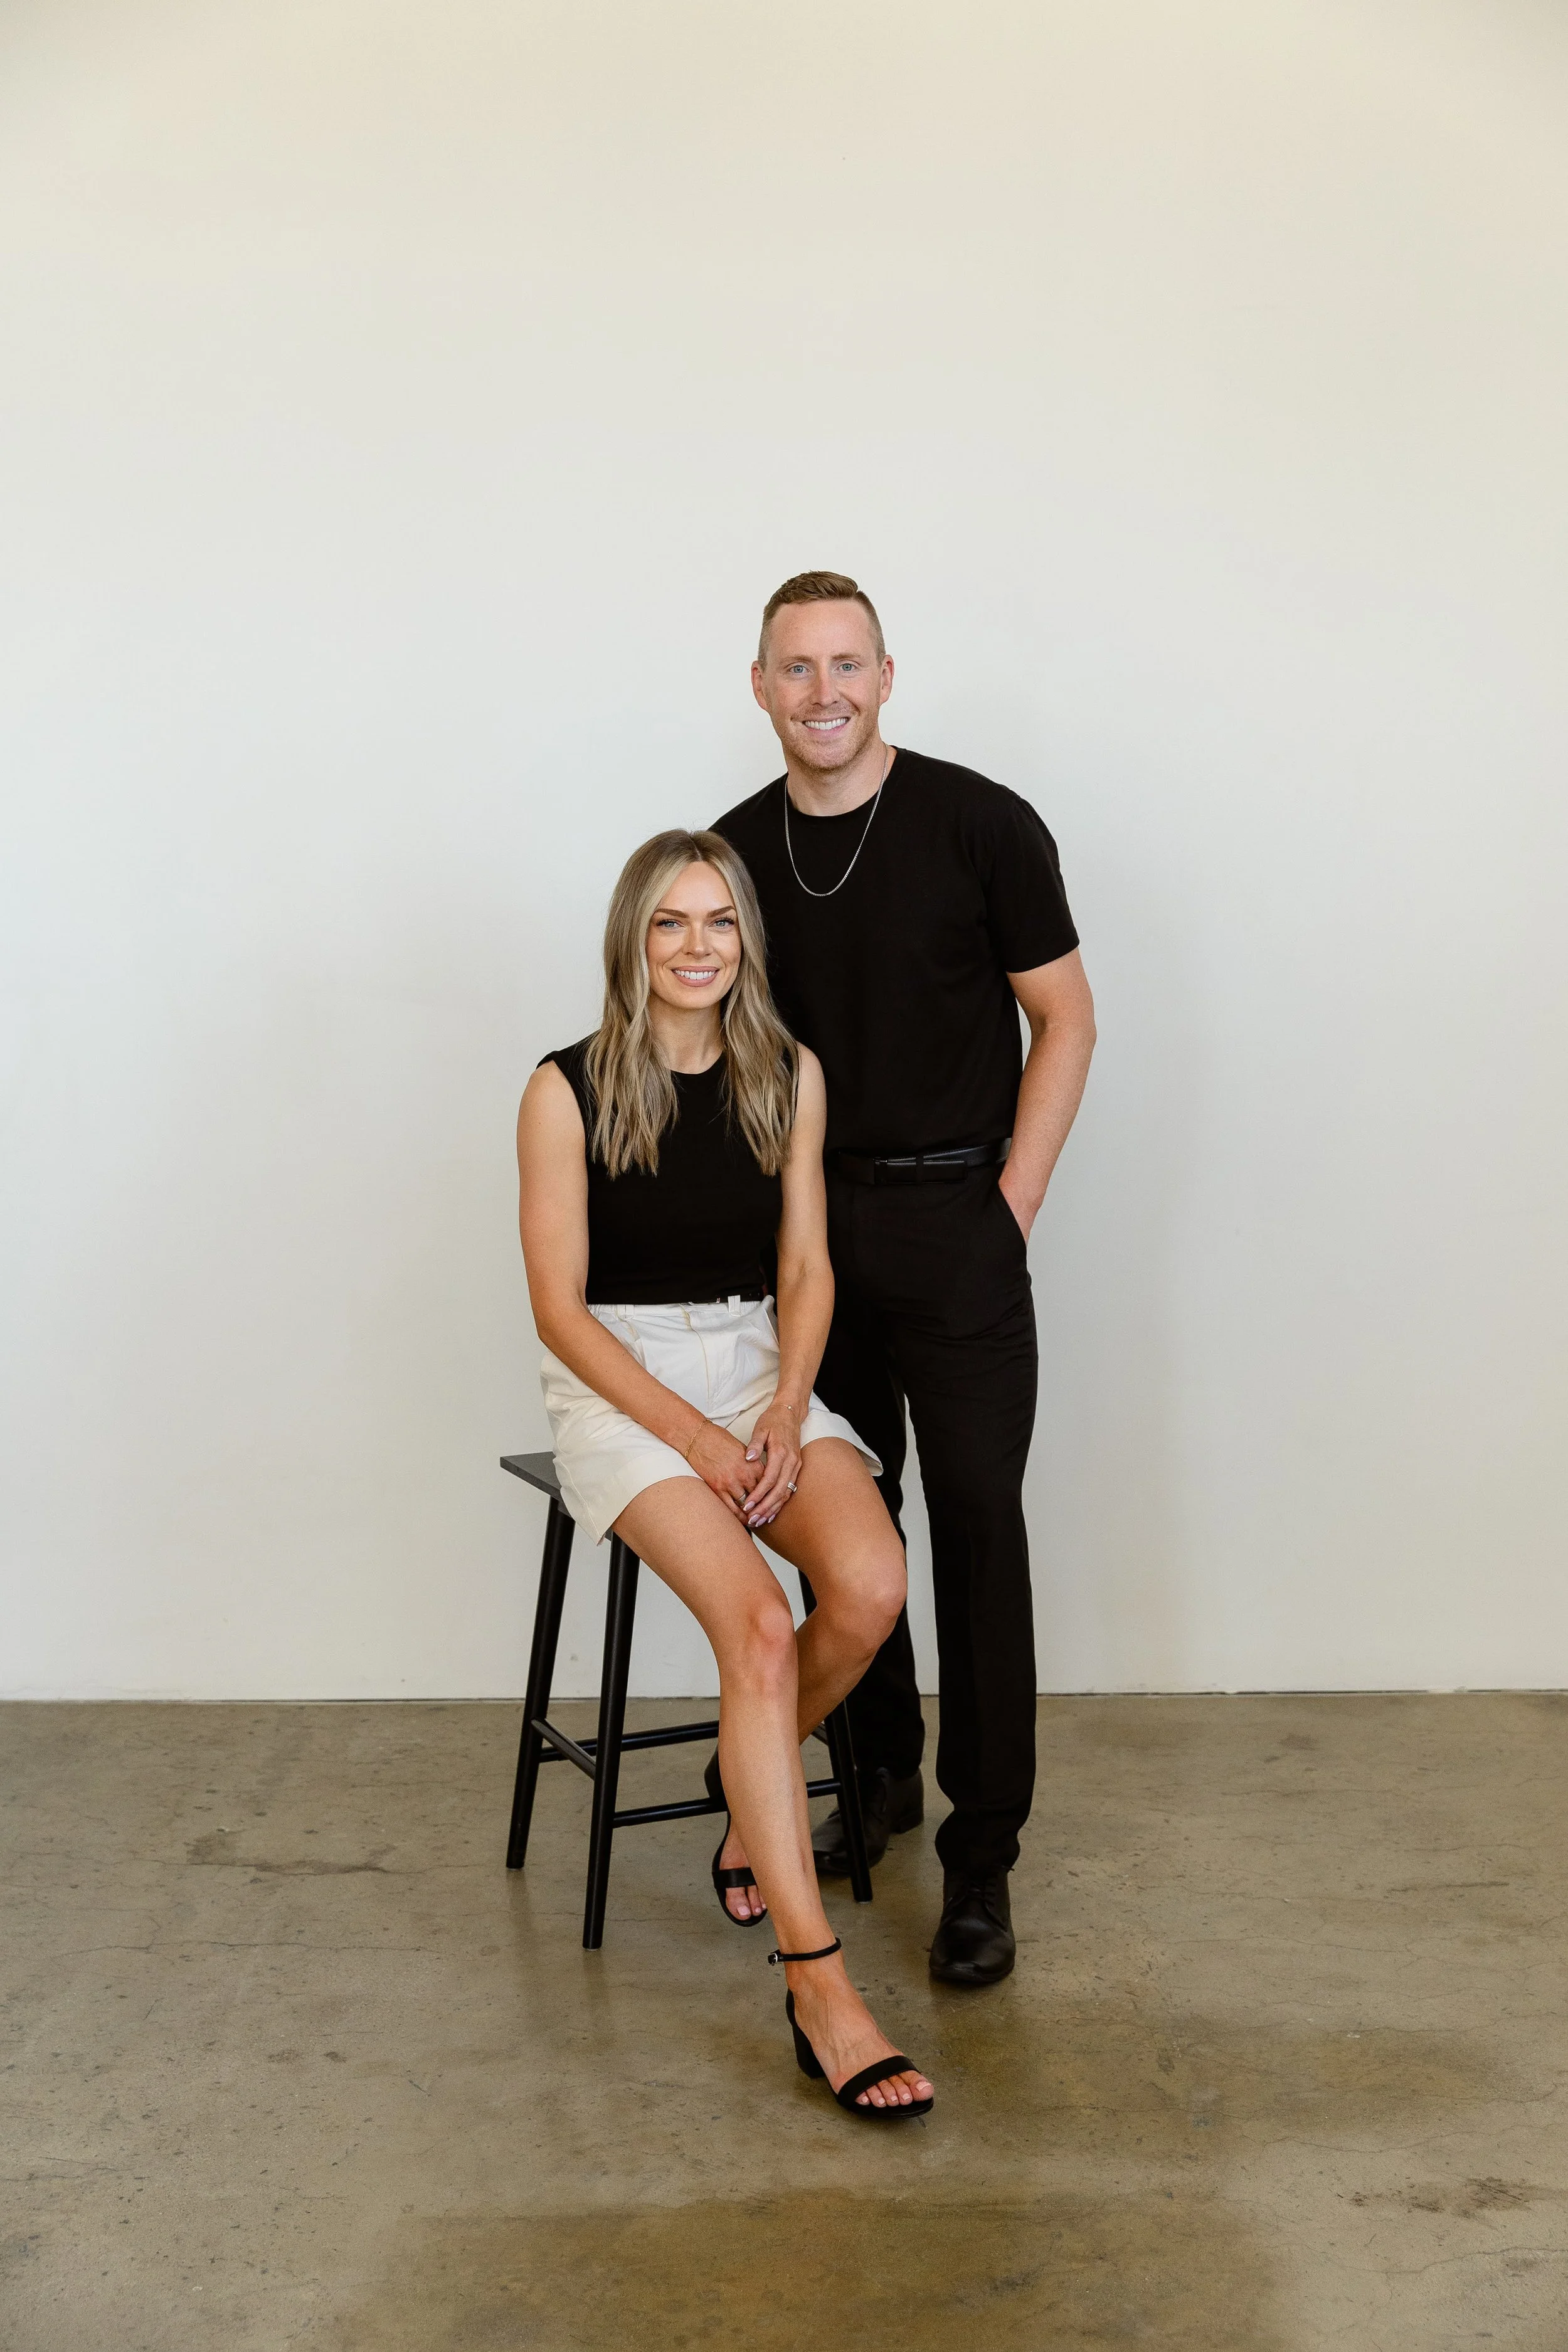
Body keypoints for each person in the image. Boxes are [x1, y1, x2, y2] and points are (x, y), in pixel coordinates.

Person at [714, 573, 1096, 1988]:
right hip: (810, 1236)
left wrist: (1009, 1203)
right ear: (756, 685)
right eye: (794, 668)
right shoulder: (737, 855)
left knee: (978, 1525)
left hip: (958, 1220)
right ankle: (872, 1781)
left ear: (887, 677)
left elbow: (1062, 1017)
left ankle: (978, 1856)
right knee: (845, 1521)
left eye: (845, 665)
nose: (822, 692)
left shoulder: (980, 822)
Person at [516, 827, 933, 2117]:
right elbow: (560, 1313)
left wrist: (785, 1406)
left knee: (867, 1589)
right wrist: (694, 1442)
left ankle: (738, 1780)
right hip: (620, 1382)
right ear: (630, 941)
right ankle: (817, 1983)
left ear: (745, 940)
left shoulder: (785, 1076)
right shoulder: (563, 1088)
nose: (696, 948)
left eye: (718, 923)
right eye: (668, 925)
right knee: (757, 1628)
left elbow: (804, 1271)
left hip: (758, 1361)